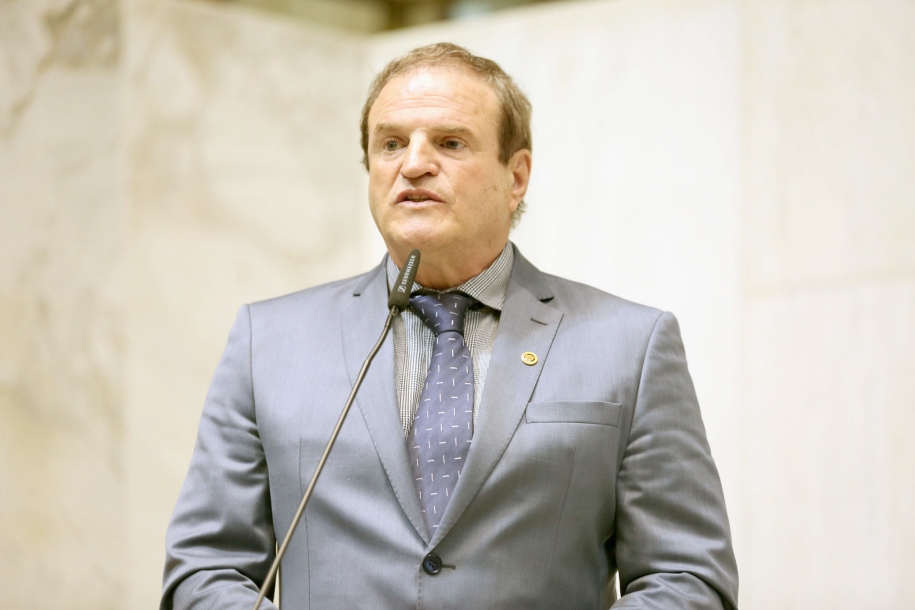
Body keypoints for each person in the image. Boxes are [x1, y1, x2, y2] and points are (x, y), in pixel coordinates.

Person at [161, 42, 739, 609]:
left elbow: (687, 577)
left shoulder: (630, 344)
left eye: (450, 142)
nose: (413, 164)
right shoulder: (268, 341)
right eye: (391, 143)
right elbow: (205, 570)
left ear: (516, 176)